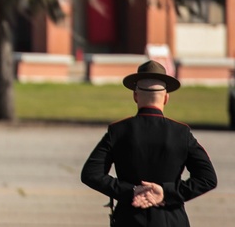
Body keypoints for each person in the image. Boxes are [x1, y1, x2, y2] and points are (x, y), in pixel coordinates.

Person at [81, 60, 217, 227]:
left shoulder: (118, 131)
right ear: (166, 98)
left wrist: (130, 191)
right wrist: (166, 193)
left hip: (129, 219)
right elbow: (207, 179)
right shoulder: (181, 133)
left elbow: (91, 174)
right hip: (171, 220)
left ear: (135, 96)